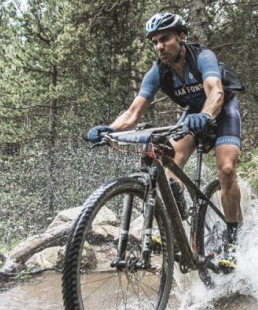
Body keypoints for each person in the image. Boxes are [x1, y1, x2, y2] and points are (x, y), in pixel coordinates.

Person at [86, 12, 243, 269]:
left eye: (165, 39)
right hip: (193, 116)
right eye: (155, 41)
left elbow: (215, 91)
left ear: (181, 37)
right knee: (170, 163)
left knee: (226, 169)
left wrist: (205, 115)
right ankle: (181, 223)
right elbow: (133, 112)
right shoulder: (158, 72)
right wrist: (109, 129)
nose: (159, 46)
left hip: (222, 111)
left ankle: (234, 236)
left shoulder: (202, 57)